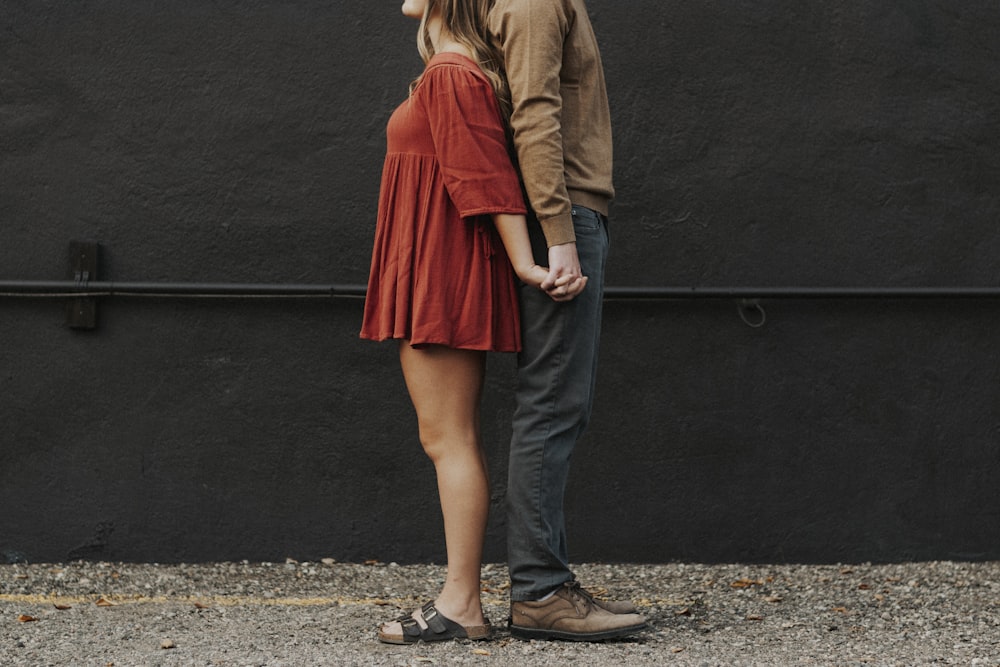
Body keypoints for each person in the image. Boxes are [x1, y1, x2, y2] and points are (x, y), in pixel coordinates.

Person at [360, 0, 586, 645]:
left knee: (448, 438)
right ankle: (462, 598)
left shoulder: (452, 73)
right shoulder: (451, 70)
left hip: (441, 269)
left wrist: (524, 264)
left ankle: (461, 603)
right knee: (448, 437)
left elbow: (483, 175)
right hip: (432, 265)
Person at [488, 0, 649, 640]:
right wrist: (560, 234)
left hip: (570, 213)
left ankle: (544, 581)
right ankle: (538, 591)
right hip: (563, 217)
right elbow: (533, 114)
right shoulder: (530, 1)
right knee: (553, 400)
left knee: (560, 402)